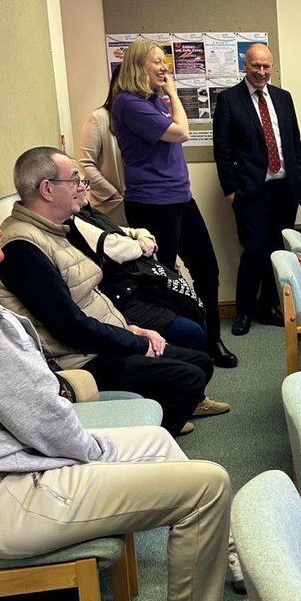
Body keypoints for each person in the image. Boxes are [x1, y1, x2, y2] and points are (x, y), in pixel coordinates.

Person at [0, 173, 263, 601]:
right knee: (206, 486)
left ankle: (221, 550)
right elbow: (40, 417)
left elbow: (30, 410)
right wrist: (95, 452)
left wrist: (92, 447)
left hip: (13, 468)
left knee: (157, 439)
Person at [0, 147, 226, 439]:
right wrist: (134, 341)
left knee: (199, 362)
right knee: (189, 378)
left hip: (100, 340)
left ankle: (156, 420)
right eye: (74, 179)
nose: (82, 187)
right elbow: (70, 327)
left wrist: (130, 328)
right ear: (47, 189)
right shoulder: (23, 248)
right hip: (80, 360)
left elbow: (88, 299)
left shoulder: (58, 228)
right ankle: (138, 445)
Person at [110, 39, 236, 368]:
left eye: (164, 61)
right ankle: (175, 352)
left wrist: (166, 98)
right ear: (138, 66)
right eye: (156, 62)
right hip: (152, 204)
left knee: (206, 268)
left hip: (180, 197)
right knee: (161, 282)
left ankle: (211, 340)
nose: (164, 68)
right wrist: (176, 96)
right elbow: (181, 132)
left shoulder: (152, 101)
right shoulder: (127, 103)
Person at [213, 43, 301, 336]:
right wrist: (230, 191)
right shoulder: (230, 100)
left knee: (277, 251)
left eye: (267, 66)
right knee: (253, 251)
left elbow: (294, 141)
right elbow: (222, 150)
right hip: (251, 191)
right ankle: (244, 311)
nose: (262, 72)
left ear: (272, 67)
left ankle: (268, 307)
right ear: (246, 65)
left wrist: (299, 176)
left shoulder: (283, 97)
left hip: (284, 189)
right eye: (256, 66)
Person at [70, 187, 208, 353]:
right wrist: (142, 246)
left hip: (133, 283)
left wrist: (143, 235)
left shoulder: (88, 212)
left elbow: (124, 232)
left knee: (194, 310)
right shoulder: (73, 222)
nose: (86, 187)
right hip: (120, 295)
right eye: (76, 181)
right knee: (192, 332)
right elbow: (114, 248)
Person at [77, 69, 126, 226]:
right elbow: (84, 164)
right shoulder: (98, 118)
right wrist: (111, 193)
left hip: (144, 203)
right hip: (116, 207)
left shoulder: (145, 119)